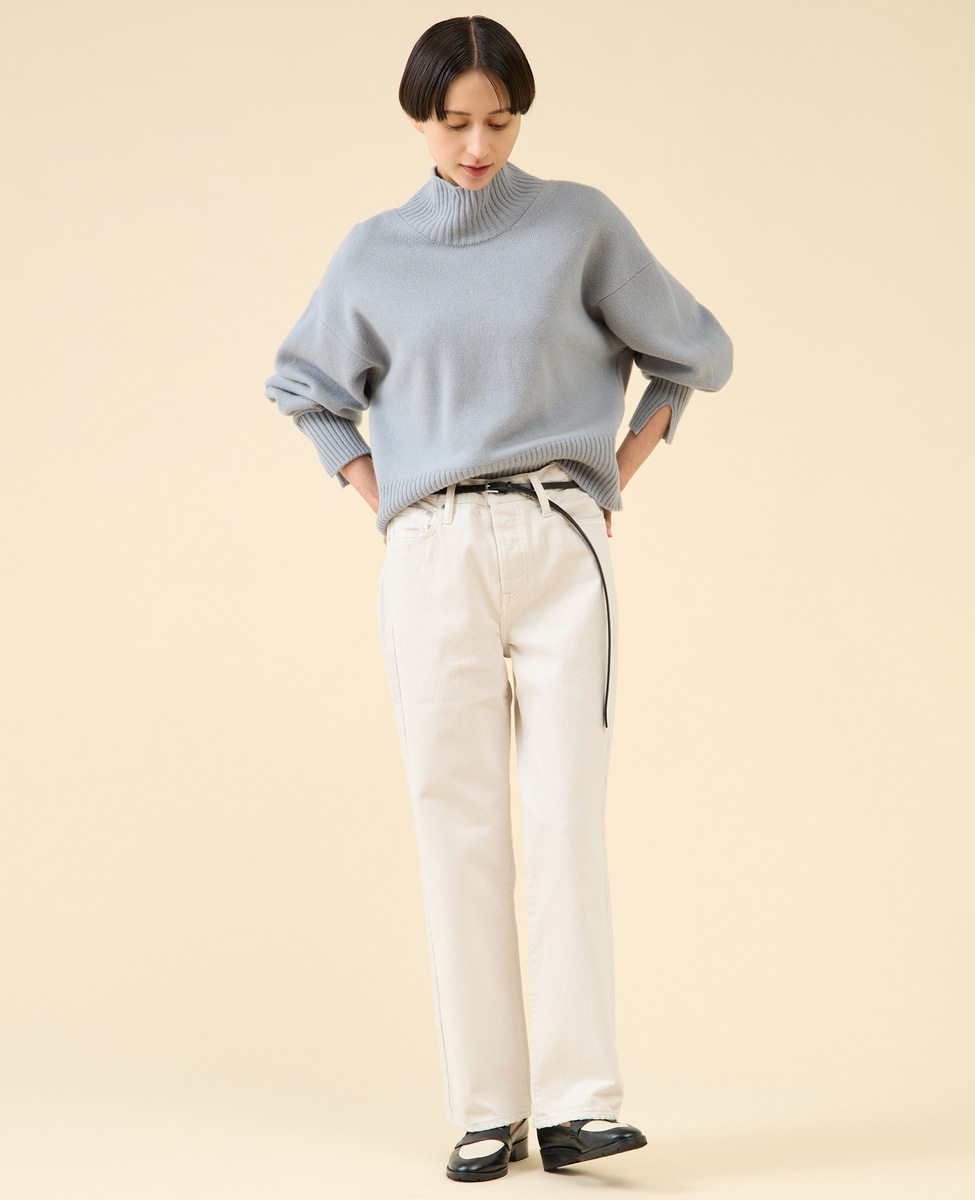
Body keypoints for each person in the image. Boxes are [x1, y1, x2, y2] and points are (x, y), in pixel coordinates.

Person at [266, 15, 732, 1183]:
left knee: (566, 814)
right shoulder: (373, 254)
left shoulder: (578, 225)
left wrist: (620, 467)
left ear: (522, 116)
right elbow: (304, 387)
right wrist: (381, 494)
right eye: (454, 122)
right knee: (456, 822)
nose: (477, 146)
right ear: (418, 119)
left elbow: (695, 353)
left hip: (560, 536)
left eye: (500, 121)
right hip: (432, 550)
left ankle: (581, 1104)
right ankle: (486, 1108)